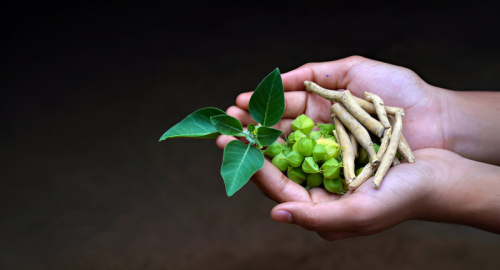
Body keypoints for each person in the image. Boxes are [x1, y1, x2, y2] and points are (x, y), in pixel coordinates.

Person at [215, 56, 500, 240]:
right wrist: (444, 117)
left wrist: (441, 184)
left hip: (365, 142)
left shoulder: (348, 123)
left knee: (369, 142)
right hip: (357, 144)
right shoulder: (331, 134)